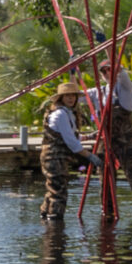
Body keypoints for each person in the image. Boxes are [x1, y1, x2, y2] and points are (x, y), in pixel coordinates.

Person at [86, 61, 132, 220]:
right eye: (103, 71)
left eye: (110, 69)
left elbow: (120, 70)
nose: (107, 73)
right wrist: (74, 74)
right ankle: (108, 213)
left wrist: (112, 56)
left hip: (125, 141)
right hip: (105, 142)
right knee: (105, 177)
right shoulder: (98, 92)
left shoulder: (124, 88)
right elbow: (75, 95)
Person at [40, 81, 102, 222]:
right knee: (59, 192)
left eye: (73, 95)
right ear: (60, 98)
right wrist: (90, 156)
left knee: (53, 189)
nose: (70, 98)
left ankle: (45, 219)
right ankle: (55, 223)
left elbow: (67, 135)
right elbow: (71, 142)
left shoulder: (67, 113)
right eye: (67, 95)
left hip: (57, 157)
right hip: (53, 157)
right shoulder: (60, 114)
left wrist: (88, 137)